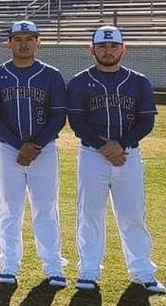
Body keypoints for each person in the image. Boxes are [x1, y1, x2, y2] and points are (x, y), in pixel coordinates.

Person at [67, 25, 165, 293]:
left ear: (123, 48)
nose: (108, 51)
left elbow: (146, 121)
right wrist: (104, 146)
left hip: (128, 155)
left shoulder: (139, 81)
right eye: (102, 46)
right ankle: (88, 270)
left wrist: (119, 145)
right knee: (90, 214)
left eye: (113, 46)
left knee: (132, 214)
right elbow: (77, 121)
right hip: (92, 155)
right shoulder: (78, 81)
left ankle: (142, 270)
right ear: (92, 49)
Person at [0, 21, 68, 287]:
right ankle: (9, 263)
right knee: (9, 208)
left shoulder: (51, 75)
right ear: (8, 43)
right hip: (9, 150)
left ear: (38, 42)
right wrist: (20, 145)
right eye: (17, 39)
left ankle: (53, 264)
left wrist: (35, 145)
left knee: (46, 208)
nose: (23, 43)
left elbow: (58, 116)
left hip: (44, 150)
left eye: (29, 38)